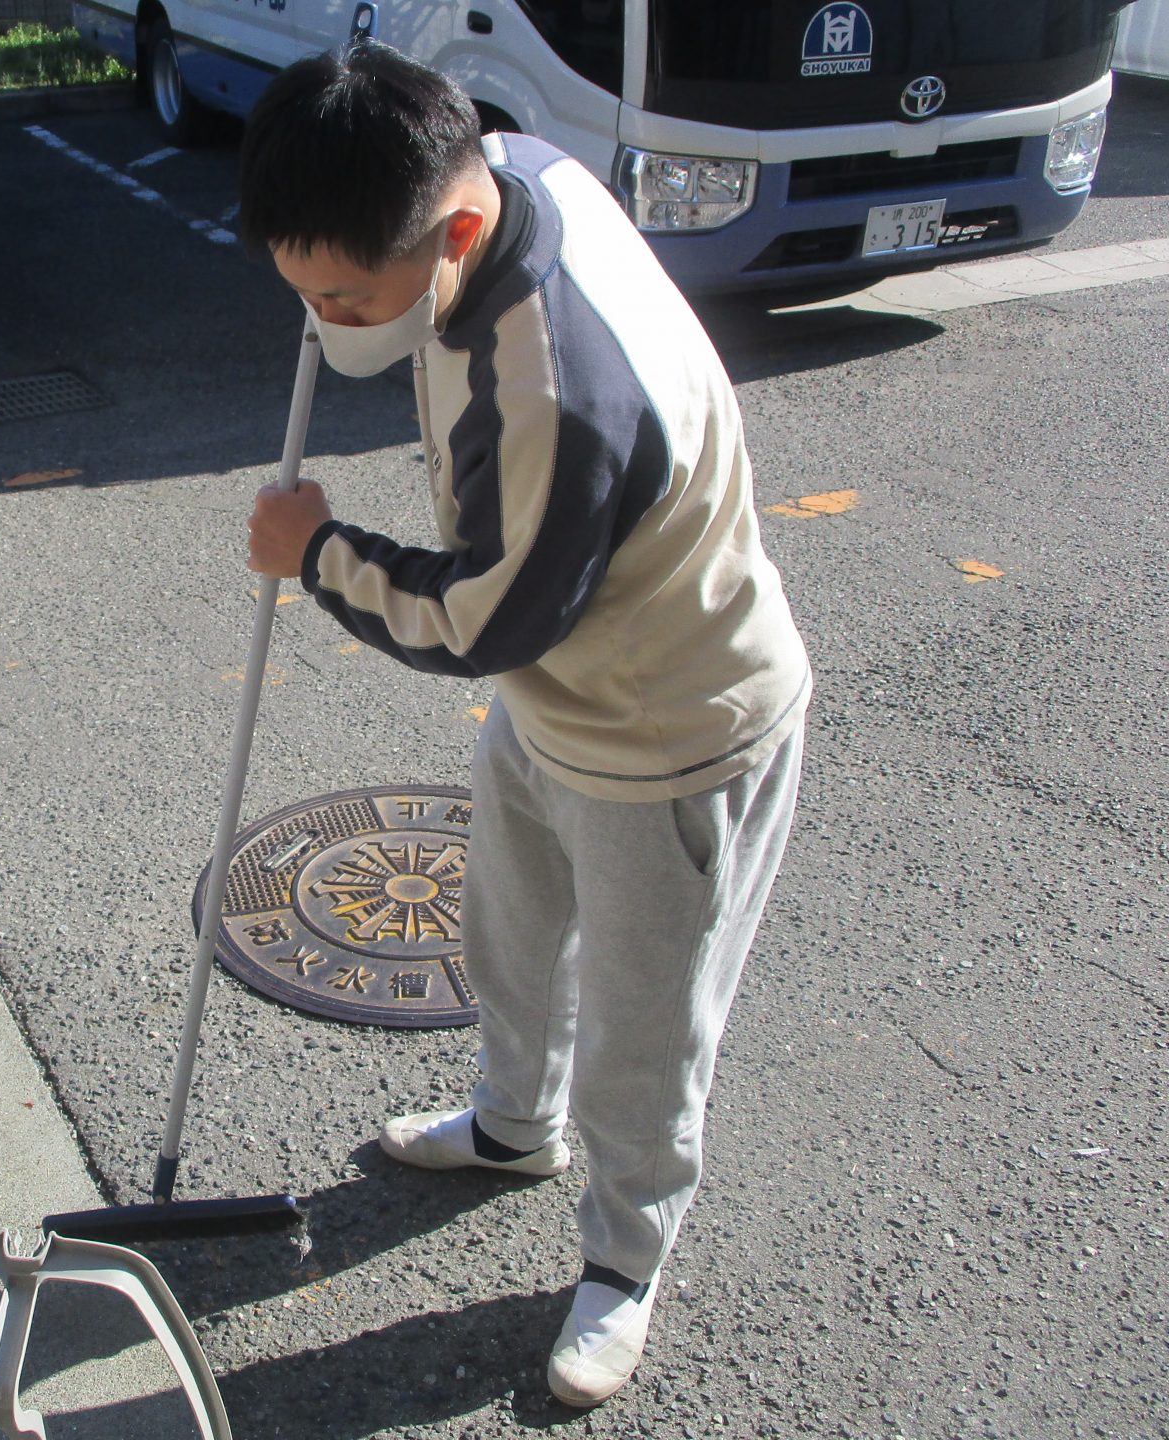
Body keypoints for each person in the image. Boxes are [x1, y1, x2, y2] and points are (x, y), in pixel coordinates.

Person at [237, 43, 812, 1407]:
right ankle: (512, 1125)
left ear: (455, 235)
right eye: (303, 291)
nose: (326, 322)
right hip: (563, 694)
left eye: (344, 297)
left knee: (643, 1030)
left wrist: (317, 554)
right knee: (507, 927)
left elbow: (484, 621)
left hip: (669, 728)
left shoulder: (557, 384)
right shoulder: (504, 167)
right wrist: (346, 292)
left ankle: (624, 1262)